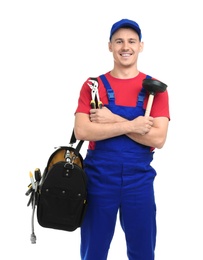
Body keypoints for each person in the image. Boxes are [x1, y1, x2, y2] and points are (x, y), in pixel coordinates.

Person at [74, 18, 170, 260]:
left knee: (143, 253)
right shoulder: (93, 86)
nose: (125, 47)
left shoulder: (156, 89)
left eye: (131, 41)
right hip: (98, 180)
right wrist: (134, 126)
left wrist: (111, 120)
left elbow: (158, 138)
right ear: (110, 46)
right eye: (119, 41)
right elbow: (82, 131)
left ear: (140, 46)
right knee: (93, 253)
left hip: (139, 181)